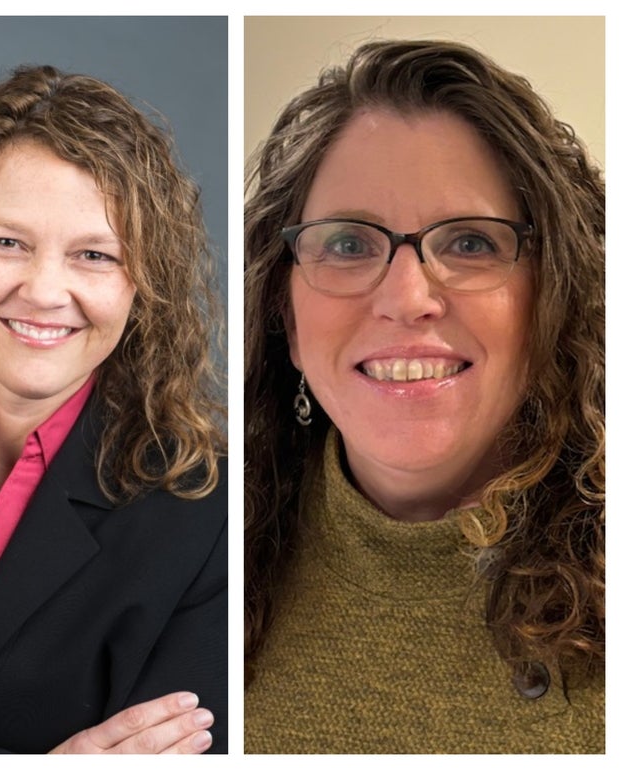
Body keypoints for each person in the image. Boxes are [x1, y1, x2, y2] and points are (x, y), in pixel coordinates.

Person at [244, 40, 604, 753]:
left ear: (555, 295)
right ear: (284, 312)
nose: (407, 299)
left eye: (470, 242)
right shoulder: (211, 557)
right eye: (347, 244)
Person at [0, 64, 227, 754]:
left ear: (144, 286)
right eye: (7, 242)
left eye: (94, 255)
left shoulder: (213, 517)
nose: (43, 291)